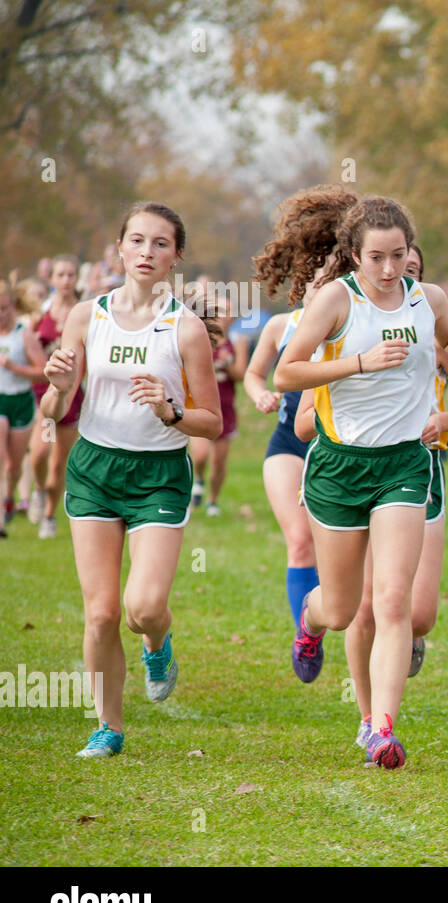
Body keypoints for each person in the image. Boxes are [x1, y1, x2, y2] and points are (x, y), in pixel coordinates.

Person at [261, 184, 448, 770]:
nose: (390, 269)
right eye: (377, 258)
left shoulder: (429, 299)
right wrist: (359, 362)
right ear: (354, 255)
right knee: (341, 609)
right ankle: (309, 625)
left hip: (404, 466)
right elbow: (287, 373)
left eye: (399, 255)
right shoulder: (335, 303)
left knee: (392, 603)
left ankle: (381, 729)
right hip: (340, 467)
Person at [42, 201, 222, 757]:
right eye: (137, 241)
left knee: (143, 607)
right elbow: (55, 410)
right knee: (101, 612)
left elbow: (211, 424)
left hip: (158, 473)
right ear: (119, 248)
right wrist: (58, 384)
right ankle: (109, 726)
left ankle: (158, 643)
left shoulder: (185, 329)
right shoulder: (85, 316)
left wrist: (170, 410)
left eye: (160, 244)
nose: (147, 252)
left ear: (176, 257)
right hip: (95, 467)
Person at [295, 334, 448, 764]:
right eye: (380, 261)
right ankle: (370, 718)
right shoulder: (341, 336)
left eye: (407, 266)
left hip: (413, 471)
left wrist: (442, 420)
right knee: (355, 608)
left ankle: (390, 681)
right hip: (346, 471)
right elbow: (302, 423)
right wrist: (358, 387)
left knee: (414, 613)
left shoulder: (436, 338)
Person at [242, 269, 329, 633]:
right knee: (300, 539)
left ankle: (326, 610)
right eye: (317, 282)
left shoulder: (349, 324)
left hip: (332, 446)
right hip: (287, 443)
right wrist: (259, 393)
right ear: (303, 284)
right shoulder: (280, 326)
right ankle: (306, 634)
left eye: (331, 282)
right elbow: (252, 374)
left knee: (332, 550)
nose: (322, 290)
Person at [26, 254, 82, 538]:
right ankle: (38, 489)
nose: (66, 280)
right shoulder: (41, 315)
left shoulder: (84, 314)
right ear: (52, 279)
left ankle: (49, 515)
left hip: (74, 398)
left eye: (71, 275)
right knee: (39, 454)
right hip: (45, 397)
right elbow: (30, 348)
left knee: (59, 461)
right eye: (60, 275)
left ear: (77, 279)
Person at [189, 294, 248, 516]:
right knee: (201, 455)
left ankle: (212, 501)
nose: (223, 316)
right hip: (201, 405)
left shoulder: (238, 341)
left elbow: (241, 374)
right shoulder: (200, 338)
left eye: (227, 312)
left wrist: (226, 363)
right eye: (219, 311)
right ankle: (199, 479)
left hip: (226, 407)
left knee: (219, 462)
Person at [0, 280, 44, 532]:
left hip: (20, 401)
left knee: (14, 465)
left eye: (4, 308)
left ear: (13, 307)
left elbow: (43, 371)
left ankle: (10, 495)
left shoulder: (23, 333)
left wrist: (14, 368)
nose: (1, 314)